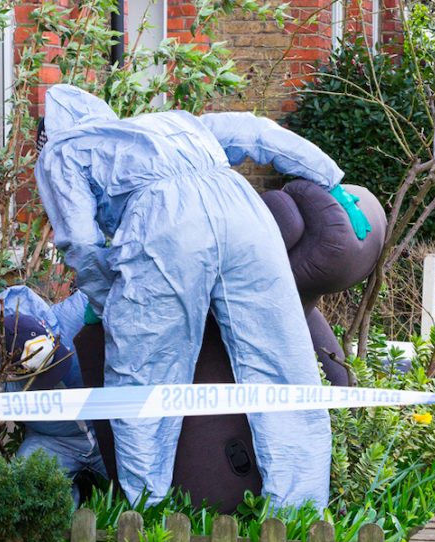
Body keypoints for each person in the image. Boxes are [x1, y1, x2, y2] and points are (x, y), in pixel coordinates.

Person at [35, 84, 367, 509]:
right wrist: (331, 180)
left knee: (142, 379)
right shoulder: (167, 124)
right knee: (282, 366)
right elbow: (256, 132)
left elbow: (79, 241)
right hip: (242, 211)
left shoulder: (60, 149)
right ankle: (300, 522)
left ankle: (147, 521)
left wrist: (104, 302)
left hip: (165, 226)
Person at [0, 285, 107, 510]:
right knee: (24, 495)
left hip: (108, 432)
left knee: (138, 492)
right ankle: (75, 496)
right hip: (51, 442)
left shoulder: (76, 315)